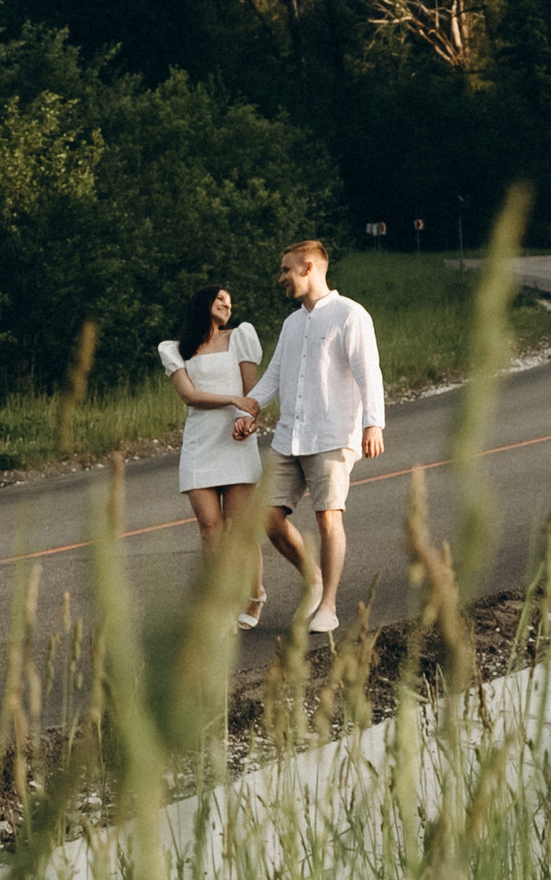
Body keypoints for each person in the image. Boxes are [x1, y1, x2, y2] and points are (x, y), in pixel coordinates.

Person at [232, 237, 385, 636]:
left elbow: (368, 372)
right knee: (267, 516)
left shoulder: (350, 314)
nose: (281, 277)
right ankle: (312, 577)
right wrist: (248, 410)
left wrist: (373, 423)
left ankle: (328, 605)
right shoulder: (292, 323)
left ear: (309, 267)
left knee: (328, 517)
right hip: (289, 437)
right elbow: (274, 376)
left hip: (332, 434)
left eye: (286, 269)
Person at [157, 280, 268, 626]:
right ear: (203, 302)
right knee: (210, 528)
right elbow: (189, 396)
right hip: (200, 444)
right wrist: (233, 400)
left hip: (236, 440)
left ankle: (254, 595)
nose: (227, 305)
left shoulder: (240, 336)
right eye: (220, 298)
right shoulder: (176, 349)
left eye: (230, 301)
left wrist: (247, 420)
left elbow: (252, 394)